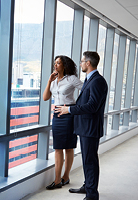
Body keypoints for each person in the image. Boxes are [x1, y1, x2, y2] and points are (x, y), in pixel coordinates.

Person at [55, 51, 108, 200]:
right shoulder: (90, 80)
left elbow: (92, 106)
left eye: (82, 61)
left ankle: (92, 195)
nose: (80, 63)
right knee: (87, 159)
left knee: (90, 161)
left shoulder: (97, 81)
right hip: (86, 127)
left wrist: (69, 109)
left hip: (90, 128)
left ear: (88, 63)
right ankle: (88, 186)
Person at [43, 55, 83, 190]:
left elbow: (86, 90)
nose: (55, 65)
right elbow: (45, 98)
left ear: (64, 65)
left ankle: (65, 177)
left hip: (69, 115)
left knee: (69, 147)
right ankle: (57, 179)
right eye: (55, 63)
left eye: (58, 63)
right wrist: (49, 81)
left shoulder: (71, 79)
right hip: (57, 116)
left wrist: (73, 108)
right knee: (58, 147)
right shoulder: (54, 81)